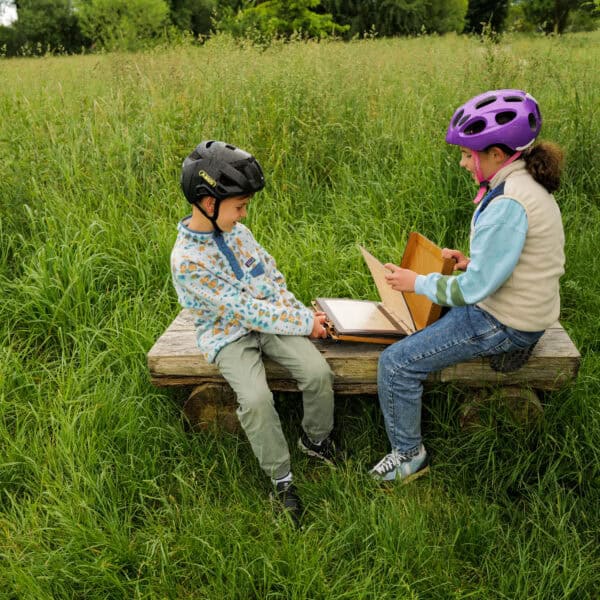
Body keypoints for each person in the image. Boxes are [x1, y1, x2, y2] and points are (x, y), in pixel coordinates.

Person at [369, 89, 565, 482]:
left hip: (505, 319)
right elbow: (513, 261)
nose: (462, 162)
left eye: (466, 154)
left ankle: (409, 457)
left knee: (396, 364)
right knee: (417, 326)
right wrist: (473, 262)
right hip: (522, 307)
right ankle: (512, 350)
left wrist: (418, 281)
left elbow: (473, 291)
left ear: (496, 154)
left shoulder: (509, 201)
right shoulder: (522, 184)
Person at [171, 140, 337, 522]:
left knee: (317, 373)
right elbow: (244, 311)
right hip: (228, 334)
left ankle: (316, 441)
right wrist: (303, 324)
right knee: (257, 400)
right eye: (239, 207)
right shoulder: (187, 261)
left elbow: (272, 279)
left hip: (272, 321)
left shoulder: (239, 235)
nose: (243, 216)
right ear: (208, 203)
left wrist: (300, 313)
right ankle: (282, 479)